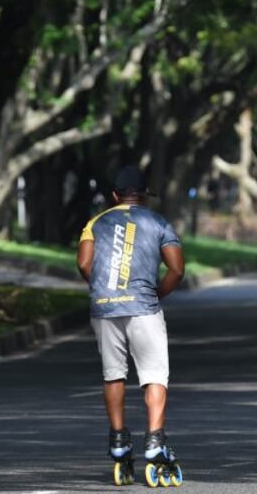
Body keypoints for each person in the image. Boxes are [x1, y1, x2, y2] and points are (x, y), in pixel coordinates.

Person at [76, 165, 186, 487]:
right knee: (154, 375)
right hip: (143, 308)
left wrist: (101, 288)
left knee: (114, 374)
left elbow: (84, 262)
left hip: (104, 307)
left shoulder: (96, 222)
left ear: (114, 196)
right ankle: (154, 442)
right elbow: (176, 269)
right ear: (144, 196)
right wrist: (157, 293)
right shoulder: (157, 221)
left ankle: (119, 441)